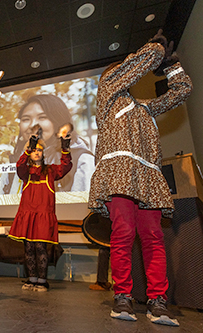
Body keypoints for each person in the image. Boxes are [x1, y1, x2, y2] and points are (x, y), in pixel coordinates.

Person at [88, 30, 192, 326]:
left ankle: (158, 301)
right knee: (122, 234)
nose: (124, 74)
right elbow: (139, 64)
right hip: (120, 175)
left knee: (154, 238)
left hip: (147, 177)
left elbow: (181, 91)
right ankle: (123, 296)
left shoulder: (144, 107)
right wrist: (155, 48)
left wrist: (172, 65)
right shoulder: (108, 94)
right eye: (121, 70)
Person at [8, 134, 72, 291]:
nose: (37, 152)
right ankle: (31, 279)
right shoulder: (27, 172)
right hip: (28, 213)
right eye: (34, 150)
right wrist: (27, 148)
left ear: (44, 154)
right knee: (28, 248)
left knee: (40, 248)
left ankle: (42, 281)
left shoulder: (51, 171)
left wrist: (65, 149)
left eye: (39, 150)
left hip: (43, 214)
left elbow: (65, 167)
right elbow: (19, 166)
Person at [0, 94, 94, 194]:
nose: (32, 125)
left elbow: (82, 207)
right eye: (26, 119)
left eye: (42, 117)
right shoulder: (13, 164)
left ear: (58, 121)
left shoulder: (81, 161)